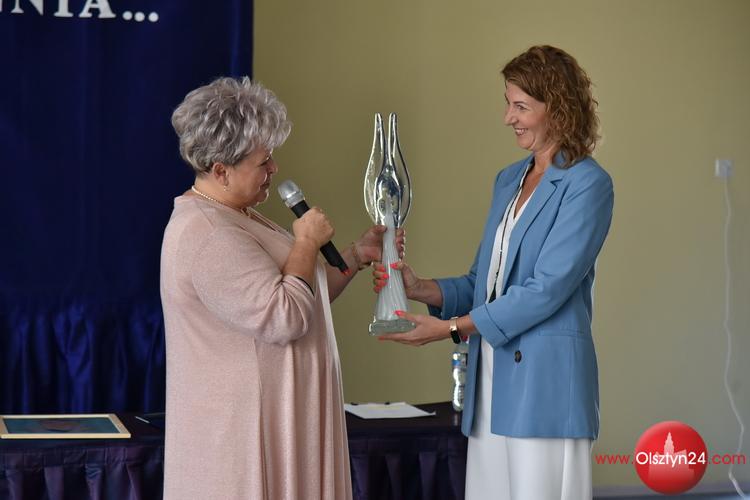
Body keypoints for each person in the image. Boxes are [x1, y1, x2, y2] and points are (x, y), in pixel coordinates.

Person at [375, 46, 614, 499]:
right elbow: (482, 284)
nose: (508, 118)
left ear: (558, 107)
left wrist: (450, 329)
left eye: (520, 106)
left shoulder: (588, 184)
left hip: (545, 386)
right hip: (490, 382)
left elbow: (545, 291)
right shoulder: (508, 180)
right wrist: (419, 287)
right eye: (508, 103)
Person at [160, 76, 396, 500]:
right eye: (263, 162)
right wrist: (305, 242)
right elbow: (285, 317)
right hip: (245, 441)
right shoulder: (210, 234)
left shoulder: (238, 214)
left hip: (283, 423)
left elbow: (303, 294)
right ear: (221, 170)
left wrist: (355, 256)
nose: (274, 170)